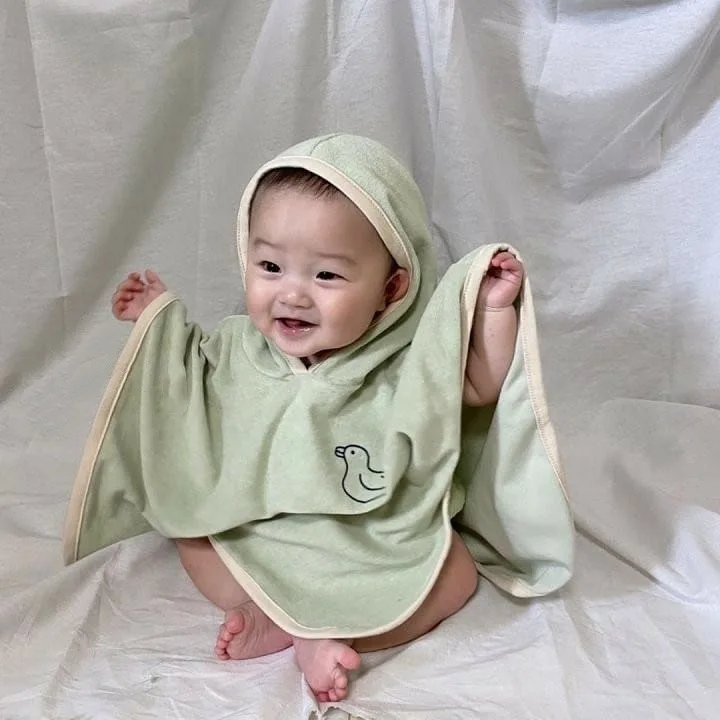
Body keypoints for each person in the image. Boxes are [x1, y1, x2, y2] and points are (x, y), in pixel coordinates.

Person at [109, 155, 524, 703]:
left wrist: (492, 310)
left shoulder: (402, 359)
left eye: (326, 275)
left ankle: (328, 631)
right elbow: (186, 393)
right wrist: (157, 323)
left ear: (391, 289)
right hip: (260, 529)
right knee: (189, 529)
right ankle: (270, 613)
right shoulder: (239, 347)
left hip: (370, 538)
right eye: (270, 266)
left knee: (457, 574)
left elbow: (476, 385)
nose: (293, 294)